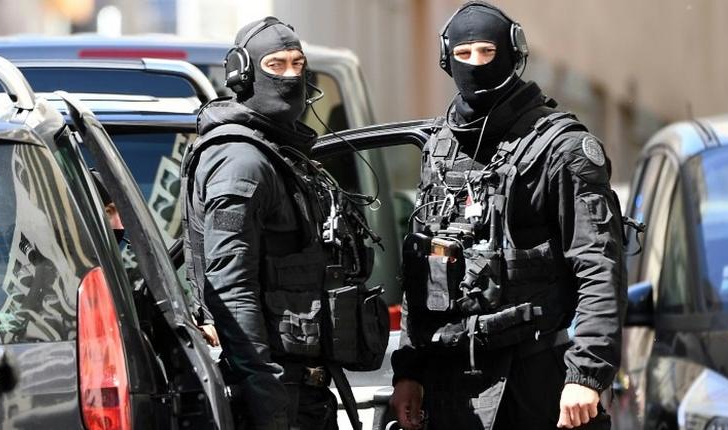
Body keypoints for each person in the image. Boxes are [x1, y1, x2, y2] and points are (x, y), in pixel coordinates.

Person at [389, 2, 627, 429]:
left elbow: (598, 265)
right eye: (464, 55)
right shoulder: (439, 149)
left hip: (538, 378)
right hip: (454, 386)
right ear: (447, 59)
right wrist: (410, 370)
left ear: (513, 52)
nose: (476, 65)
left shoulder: (562, 148)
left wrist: (586, 375)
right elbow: (422, 273)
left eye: (486, 52)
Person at [181, 16, 387, 430]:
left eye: (298, 63)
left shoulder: (277, 153)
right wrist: (266, 400)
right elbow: (230, 290)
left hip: (303, 395)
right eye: (276, 65)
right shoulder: (241, 162)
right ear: (244, 73)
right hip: (276, 398)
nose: (291, 75)